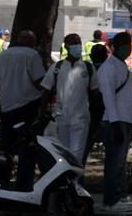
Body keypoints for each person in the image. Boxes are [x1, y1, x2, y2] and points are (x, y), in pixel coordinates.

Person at [0, 30, 49, 187]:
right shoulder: (32, 55)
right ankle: (23, 185)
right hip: (27, 107)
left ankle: (1, 183)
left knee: (5, 147)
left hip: (6, 107)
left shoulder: (3, 55)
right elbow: (40, 81)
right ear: (31, 42)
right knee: (28, 148)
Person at [95, 28, 132, 210]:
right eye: (125, 46)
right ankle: (111, 200)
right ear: (115, 47)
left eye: (129, 45)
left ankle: (120, 197)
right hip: (115, 121)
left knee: (120, 162)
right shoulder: (109, 69)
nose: (128, 49)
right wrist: (115, 125)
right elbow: (108, 98)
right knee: (114, 163)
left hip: (124, 120)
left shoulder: (122, 65)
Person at [44, 33, 94, 166]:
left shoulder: (88, 68)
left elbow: (95, 94)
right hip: (61, 119)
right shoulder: (57, 67)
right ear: (66, 46)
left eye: (79, 42)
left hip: (81, 119)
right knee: (64, 157)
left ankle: (75, 184)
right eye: (74, 43)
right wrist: (42, 113)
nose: (77, 46)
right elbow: (46, 90)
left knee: (76, 157)